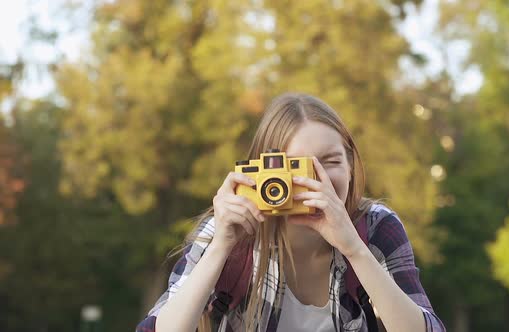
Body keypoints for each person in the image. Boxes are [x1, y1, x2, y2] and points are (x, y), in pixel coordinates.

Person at [136, 93, 446, 332]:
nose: (313, 179)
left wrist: (354, 248)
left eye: (330, 161)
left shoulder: (376, 225)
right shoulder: (229, 229)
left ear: (351, 166)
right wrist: (220, 247)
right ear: (261, 172)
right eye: (294, 166)